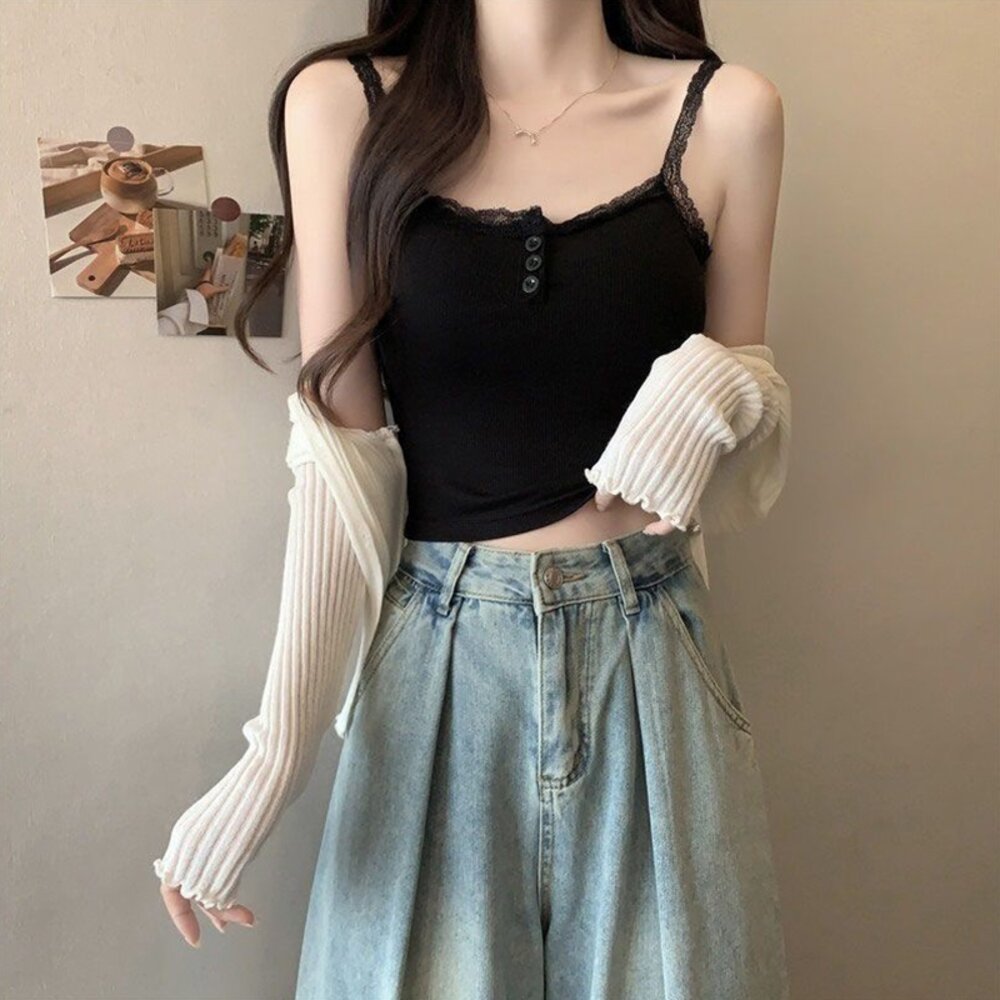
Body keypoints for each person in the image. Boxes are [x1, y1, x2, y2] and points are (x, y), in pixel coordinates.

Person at [154, 1, 792, 997]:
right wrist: (274, 755)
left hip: (652, 655)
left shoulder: (728, 114)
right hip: (435, 661)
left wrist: (728, 384)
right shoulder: (344, 107)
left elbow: (748, 454)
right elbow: (341, 462)